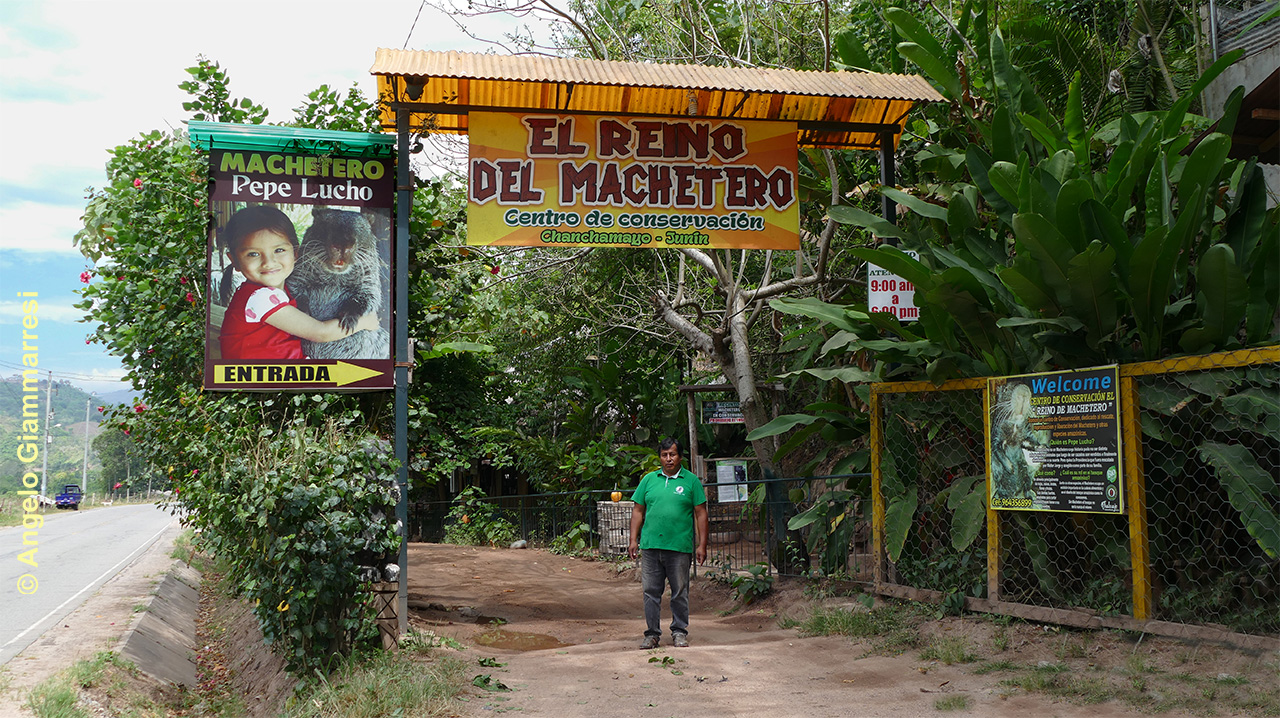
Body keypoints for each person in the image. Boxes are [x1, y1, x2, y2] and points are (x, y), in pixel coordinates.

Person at [217, 205, 378, 360]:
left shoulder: (270, 292)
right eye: (253, 254)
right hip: (260, 380)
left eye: (279, 250)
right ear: (235, 261)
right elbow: (319, 333)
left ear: (296, 252)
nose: (269, 262)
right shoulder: (260, 298)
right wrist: (364, 322)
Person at [628, 437, 708, 649]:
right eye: (664, 455)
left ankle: (679, 631)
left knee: (679, 591)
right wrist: (633, 540)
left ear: (680, 457)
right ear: (660, 457)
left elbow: (701, 514)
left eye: (672, 454)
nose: (668, 459)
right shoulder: (648, 480)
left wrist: (702, 545)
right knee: (650, 591)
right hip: (651, 546)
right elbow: (637, 510)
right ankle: (652, 634)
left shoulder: (691, 481)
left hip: (679, 547)